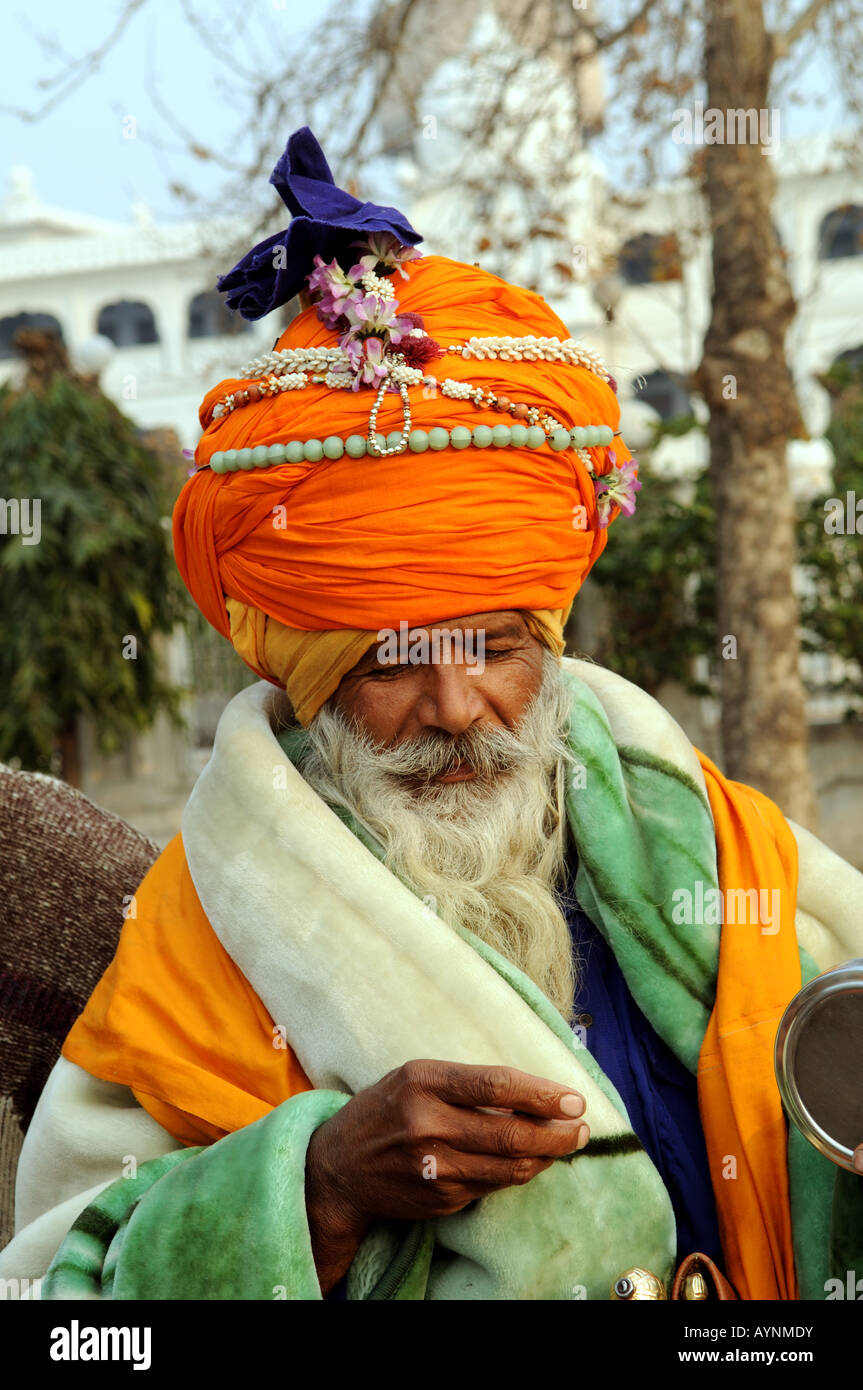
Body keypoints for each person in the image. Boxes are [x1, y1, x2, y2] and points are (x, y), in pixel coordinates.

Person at [2, 127, 862, 1302]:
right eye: (395, 662)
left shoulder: (699, 835)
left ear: (545, 642)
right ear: (312, 680)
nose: (459, 708)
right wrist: (314, 1186)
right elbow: (65, 1307)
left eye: (496, 648)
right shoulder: (205, 932)